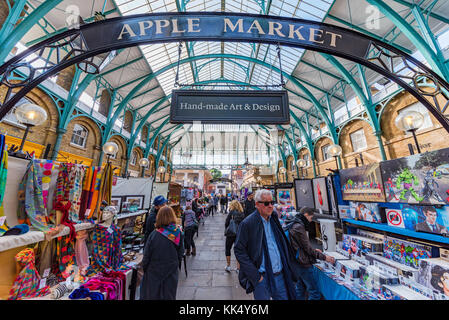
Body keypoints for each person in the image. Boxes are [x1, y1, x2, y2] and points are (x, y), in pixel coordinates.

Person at [234, 189, 300, 300]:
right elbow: (239, 250)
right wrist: (255, 276)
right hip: (262, 278)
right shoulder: (248, 223)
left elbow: (282, 243)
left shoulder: (274, 219)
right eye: (266, 203)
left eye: (272, 202)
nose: (270, 206)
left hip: (280, 276)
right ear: (257, 205)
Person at [284, 207, 335, 300]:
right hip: (303, 264)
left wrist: (314, 250)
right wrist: (324, 257)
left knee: (300, 289)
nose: (311, 221)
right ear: (306, 215)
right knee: (314, 292)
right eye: (311, 218)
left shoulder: (292, 223)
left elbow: (301, 246)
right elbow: (307, 249)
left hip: (295, 262)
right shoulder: (299, 226)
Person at [140, 206, 184, 300]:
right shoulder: (177, 234)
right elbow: (180, 253)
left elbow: (147, 255)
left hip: (154, 271)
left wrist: (145, 268)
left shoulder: (154, 234)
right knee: (169, 295)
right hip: (171, 270)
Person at [224, 200, 245, 272]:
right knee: (238, 250)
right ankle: (238, 268)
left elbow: (226, 223)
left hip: (230, 234)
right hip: (239, 234)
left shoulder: (231, 212)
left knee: (228, 248)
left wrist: (227, 228)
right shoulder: (242, 213)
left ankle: (228, 266)